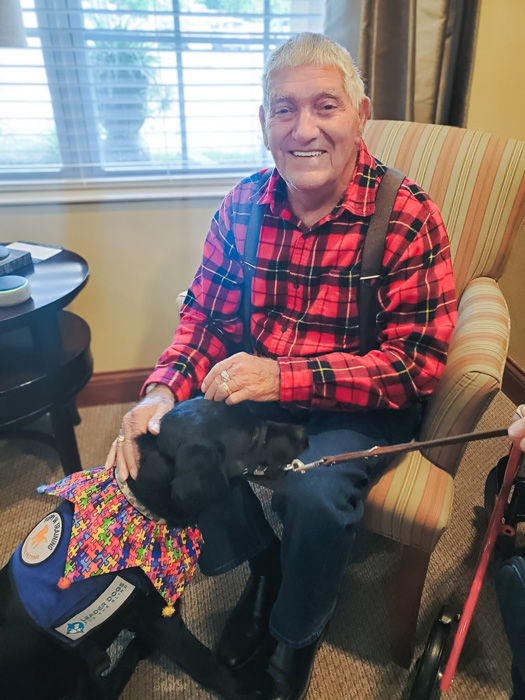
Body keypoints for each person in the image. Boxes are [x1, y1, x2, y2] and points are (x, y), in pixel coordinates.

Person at [105, 33, 457, 700]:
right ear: (263, 123)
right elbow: (203, 319)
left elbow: (414, 366)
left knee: (312, 494)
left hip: (360, 403)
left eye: (325, 105)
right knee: (160, 443)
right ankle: (264, 566)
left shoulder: (409, 216)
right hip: (263, 389)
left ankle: (296, 633)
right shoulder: (243, 205)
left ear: (361, 114)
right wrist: (155, 394)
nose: (304, 129)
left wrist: (285, 376)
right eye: (282, 109)